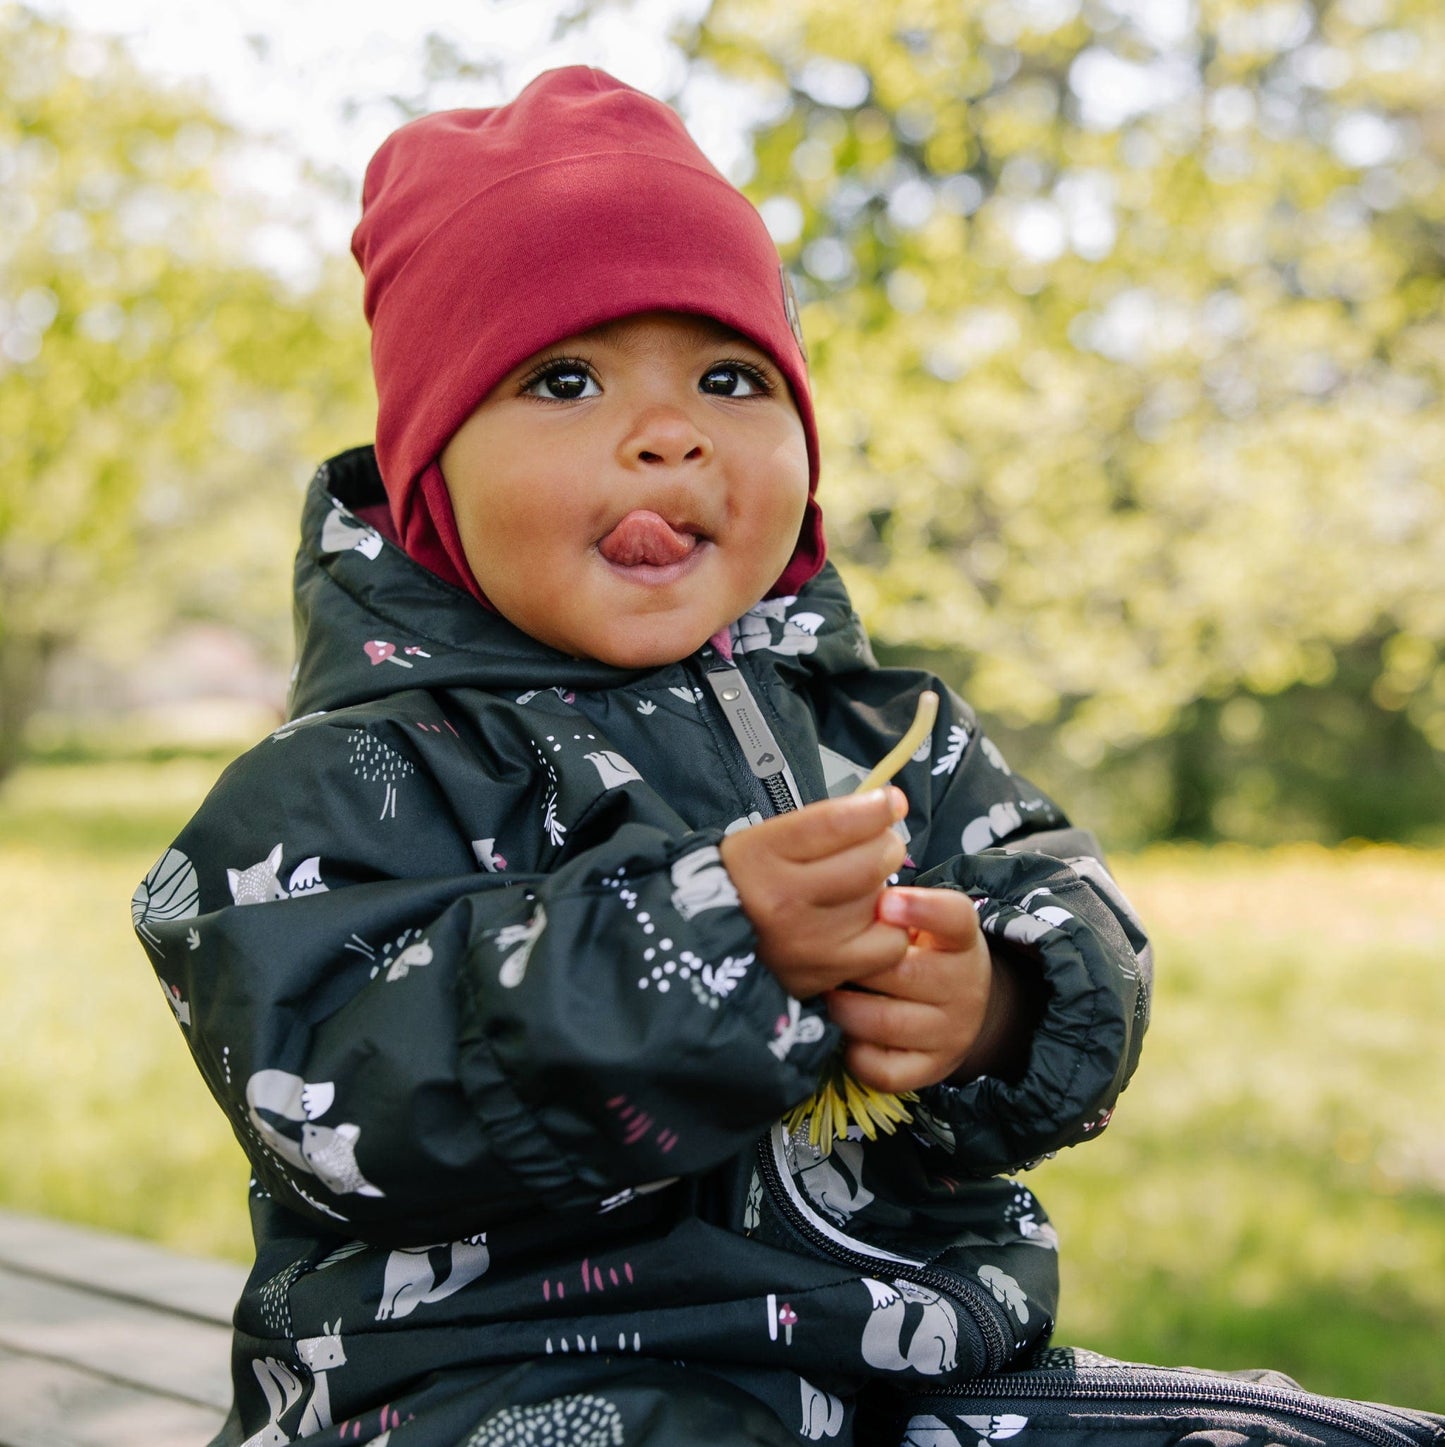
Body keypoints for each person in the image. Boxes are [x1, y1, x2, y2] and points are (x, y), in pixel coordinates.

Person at [132, 67, 1441, 1447]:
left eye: (730, 376)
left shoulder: (881, 738)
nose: (670, 430)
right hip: (498, 1390)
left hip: (912, 1374)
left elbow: (1061, 900)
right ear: (429, 475)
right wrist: (694, 943)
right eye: (565, 379)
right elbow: (344, 1093)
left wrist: (990, 1006)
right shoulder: (348, 782)